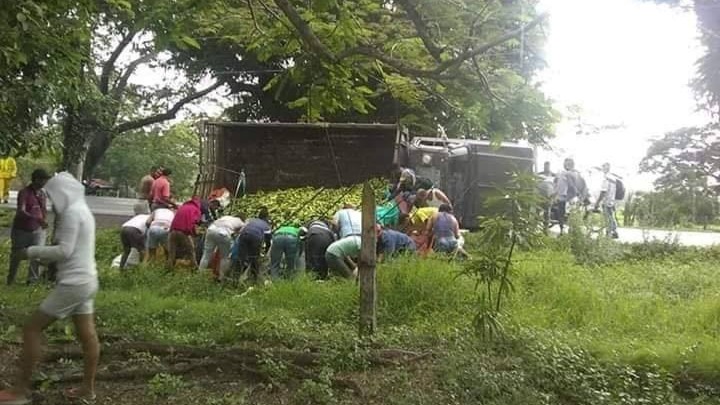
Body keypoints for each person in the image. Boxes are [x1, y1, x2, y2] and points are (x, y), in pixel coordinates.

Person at [0, 172, 99, 404]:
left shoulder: (73, 214)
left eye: (54, 196)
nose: (53, 202)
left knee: (32, 329)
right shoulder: (83, 210)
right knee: (88, 336)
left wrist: (30, 253)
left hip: (73, 284)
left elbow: (64, 251)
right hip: (87, 280)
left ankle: (19, 392)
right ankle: (88, 390)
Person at [7, 169, 50, 285]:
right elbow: (21, 211)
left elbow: (43, 209)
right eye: (42, 180)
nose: (44, 182)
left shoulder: (42, 194)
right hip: (21, 229)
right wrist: (36, 219)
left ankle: (32, 281)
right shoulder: (25, 193)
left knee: (37, 255)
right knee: (16, 255)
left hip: (37, 230)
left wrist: (43, 222)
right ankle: (10, 280)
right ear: (36, 179)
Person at [198, 215, 245, 280]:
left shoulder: (226, 217)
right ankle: (221, 277)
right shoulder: (240, 222)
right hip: (223, 233)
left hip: (211, 230)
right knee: (225, 257)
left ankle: (200, 274)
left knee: (206, 254)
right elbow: (240, 234)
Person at [231, 208, 271, 282]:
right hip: (256, 238)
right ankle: (254, 279)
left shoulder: (251, 220)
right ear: (266, 217)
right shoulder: (266, 225)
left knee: (241, 257)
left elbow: (243, 228)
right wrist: (266, 250)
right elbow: (268, 240)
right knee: (254, 258)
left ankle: (235, 278)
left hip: (244, 235)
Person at [553, 158, 589, 233]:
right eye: (566, 163)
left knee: (568, 215)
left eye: (569, 164)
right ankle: (563, 231)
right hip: (563, 197)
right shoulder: (563, 173)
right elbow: (556, 183)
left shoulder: (572, 173)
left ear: (572, 164)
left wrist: (579, 195)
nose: (567, 165)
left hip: (570, 197)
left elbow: (574, 185)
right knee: (562, 214)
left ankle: (568, 231)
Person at [167, 197, 202, 268]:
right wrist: (195, 233)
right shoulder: (196, 209)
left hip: (173, 231)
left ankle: (168, 269)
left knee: (171, 253)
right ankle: (195, 269)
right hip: (183, 232)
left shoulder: (182, 207)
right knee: (191, 251)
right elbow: (193, 223)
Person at [595, 162, 619, 239]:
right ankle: (615, 232)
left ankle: (608, 234)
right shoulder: (613, 178)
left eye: (604, 167)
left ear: (606, 168)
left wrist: (597, 202)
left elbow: (603, 191)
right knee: (611, 217)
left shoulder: (606, 178)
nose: (603, 169)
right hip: (612, 200)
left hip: (606, 201)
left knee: (607, 218)